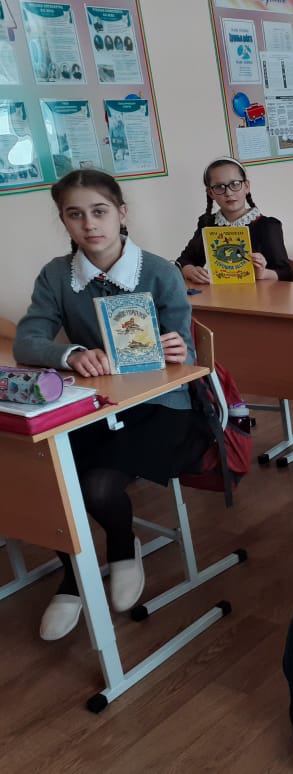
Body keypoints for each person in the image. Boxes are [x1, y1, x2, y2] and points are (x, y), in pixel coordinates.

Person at [13, 170, 206, 641]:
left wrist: (178, 349)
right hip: (95, 404)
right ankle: (73, 575)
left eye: (99, 211)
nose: (89, 224)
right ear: (64, 221)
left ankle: (122, 544)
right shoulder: (57, 275)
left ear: (121, 213)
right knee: (52, 477)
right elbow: (27, 341)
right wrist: (70, 354)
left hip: (162, 404)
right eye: (75, 215)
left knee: (97, 485)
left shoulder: (158, 271)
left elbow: (187, 351)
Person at [175, 156, 293, 284]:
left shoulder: (267, 226)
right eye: (219, 187)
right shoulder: (207, 224)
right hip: (216, 295)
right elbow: (183, 260)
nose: (228, 193)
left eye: (235, 184)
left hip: (259, 295)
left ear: (246, 186)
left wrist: (263, 273)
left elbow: (286, 273)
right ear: (210, 193)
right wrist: (189, 270)